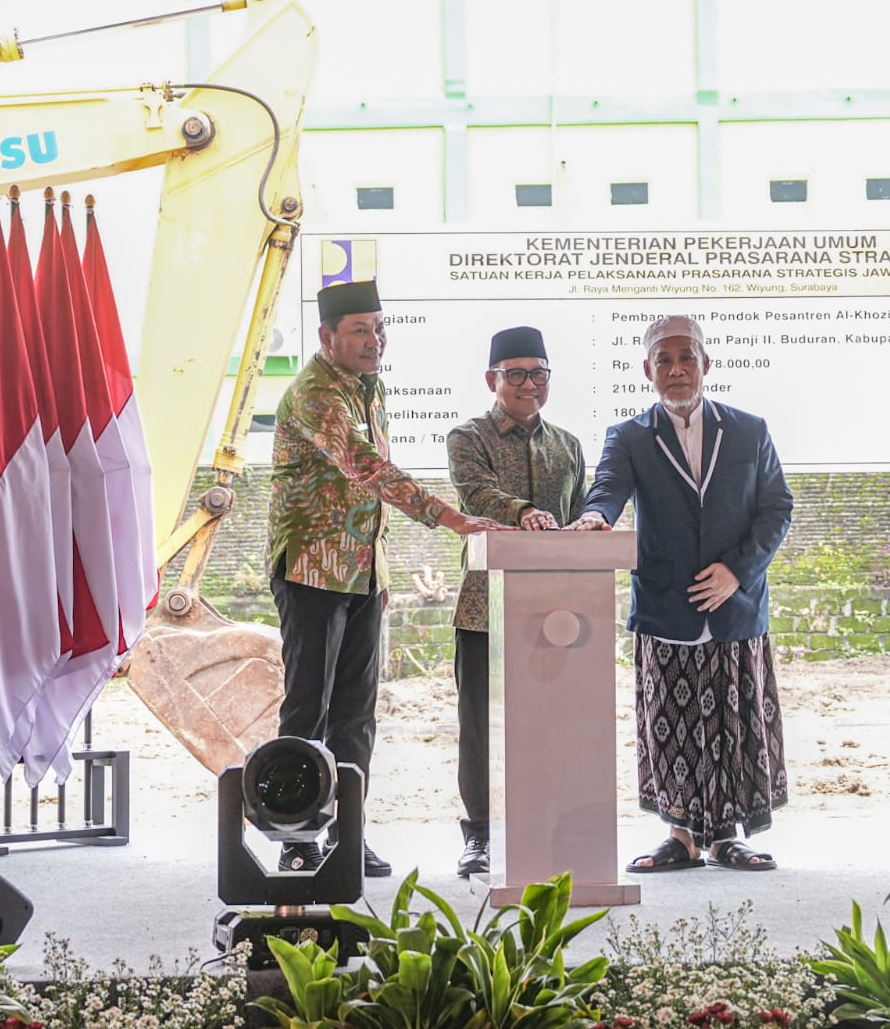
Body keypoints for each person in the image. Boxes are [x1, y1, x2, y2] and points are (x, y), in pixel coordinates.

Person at [268, 279, 509, 877]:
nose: (374, 340)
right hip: (311, 572)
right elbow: (364, 465)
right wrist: (444, 514)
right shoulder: (315, 394)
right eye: (359, 330)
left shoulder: (368, 390)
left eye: (379, 329)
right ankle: (298, 838)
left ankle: (347, 834)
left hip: (363, 575)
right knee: (308, 712)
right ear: (327, 337)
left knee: (356, 714)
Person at [569, 314, 794, 873]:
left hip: (734, 606)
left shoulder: (750, 430)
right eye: (663, 361)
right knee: (671, 719)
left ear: (705, 364)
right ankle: (680, 837)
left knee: (731, 722)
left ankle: (725, 837)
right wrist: (596, 518)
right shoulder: (628, 436)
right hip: (666, 605)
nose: (675, 370)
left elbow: (776, 509)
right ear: (647, 370)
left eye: (685, 358)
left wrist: (737, 572)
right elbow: (607, 490)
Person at [445, 326, 587, 878]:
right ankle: (479, 834)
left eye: (539, 373)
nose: (530, 384)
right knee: (480, 725)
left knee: (553, 724)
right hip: (485, 608)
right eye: (517, 374)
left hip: (558, 615)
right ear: (493, 379)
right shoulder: (468, 436)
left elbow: (576, 516)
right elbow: (476, 493)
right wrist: (524, 510)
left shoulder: (569, 445)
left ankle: (551, 828)